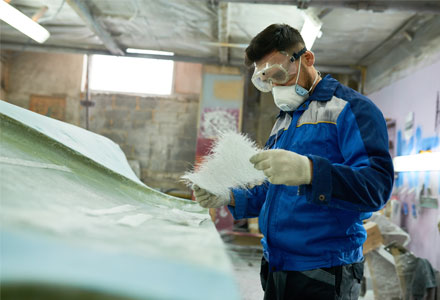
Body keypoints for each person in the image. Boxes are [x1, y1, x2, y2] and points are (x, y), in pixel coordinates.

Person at [192, 24, 394, 300]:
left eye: (279, 75)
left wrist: (311, 172)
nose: (275, 87)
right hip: (277, 264)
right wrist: (228, 197)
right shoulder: (284, 121)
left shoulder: (351, 109)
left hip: (325, 270)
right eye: (267, 81)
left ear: (306, 59)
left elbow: (377, 187)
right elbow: (271, 191)